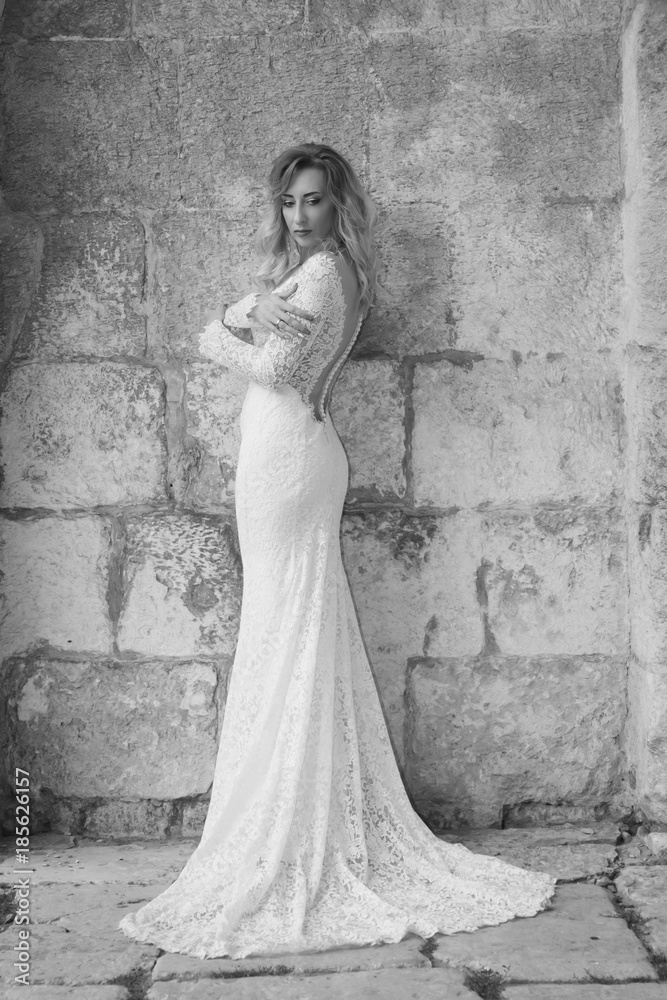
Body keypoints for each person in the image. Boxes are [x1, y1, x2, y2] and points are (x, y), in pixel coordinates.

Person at [119, 143, 556, 960]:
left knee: (285, 632)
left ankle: (288, 830)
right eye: (288, 202)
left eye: (313, 201)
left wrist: (233, 319)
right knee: (291, 633)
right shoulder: (318, 269)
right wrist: (249, 304)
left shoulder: (320, 277)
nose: (299, 215)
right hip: (290, 460)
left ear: (338, 203)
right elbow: (255, 343)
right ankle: (294, 811)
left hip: (287, 464)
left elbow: (267, 368)